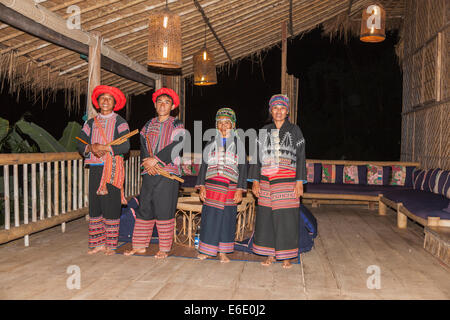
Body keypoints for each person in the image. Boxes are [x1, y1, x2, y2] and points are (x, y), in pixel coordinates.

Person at [124, 88, 185, 259]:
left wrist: (157, 160)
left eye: (166, 102)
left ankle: (164, 248)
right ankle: (139, 246)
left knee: (164, 208)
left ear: (172, 106)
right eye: (159, 102)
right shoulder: (148, 125)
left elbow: (177, 145)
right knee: (145, 207)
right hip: (149, 172)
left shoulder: (176, 124)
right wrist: (147, 164)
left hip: (168, 172)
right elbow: (143, 147)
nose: (162, 105)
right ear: (155, 105)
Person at [248, 94, 306, 269]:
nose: (279, 111)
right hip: (266, 182)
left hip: (287, 182)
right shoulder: (264, 131)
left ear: (287, 111)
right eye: (275, 108)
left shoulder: (295, 130)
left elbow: (301, 156)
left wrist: (299, 181)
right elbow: (257, 157)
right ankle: (270, 254)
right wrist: (255, 181)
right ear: (270, 111)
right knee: (266, 218)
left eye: (282, 108)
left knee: (286, 219)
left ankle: (286, 256)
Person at [77, 85, 130, 256]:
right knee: (95, 205)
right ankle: (97, 243)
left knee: (112, 204)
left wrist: (105, 148)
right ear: (98, 102)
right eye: (102, 98)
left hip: (112, 168)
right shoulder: (90, 123)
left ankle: (111, 244)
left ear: (114, 103)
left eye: (109, 98)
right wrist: (92, 147)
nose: (105, 101)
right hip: (95, 168)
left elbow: (126, 145)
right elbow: (79, 142)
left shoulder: (121, 122)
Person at [195, 108, 247, 263]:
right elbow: (203, 166)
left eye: (227, 123)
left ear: (233, 125)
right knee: (209, 218)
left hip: (230, 188)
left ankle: (223, 252)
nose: (223, 126)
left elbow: (243, 168)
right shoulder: (210, 143)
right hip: (212, 187)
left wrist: (240, 190)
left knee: (227, 219)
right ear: (216, 125)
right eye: (220, 122)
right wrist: (202, 186)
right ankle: (207, 250)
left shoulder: (239, 144)